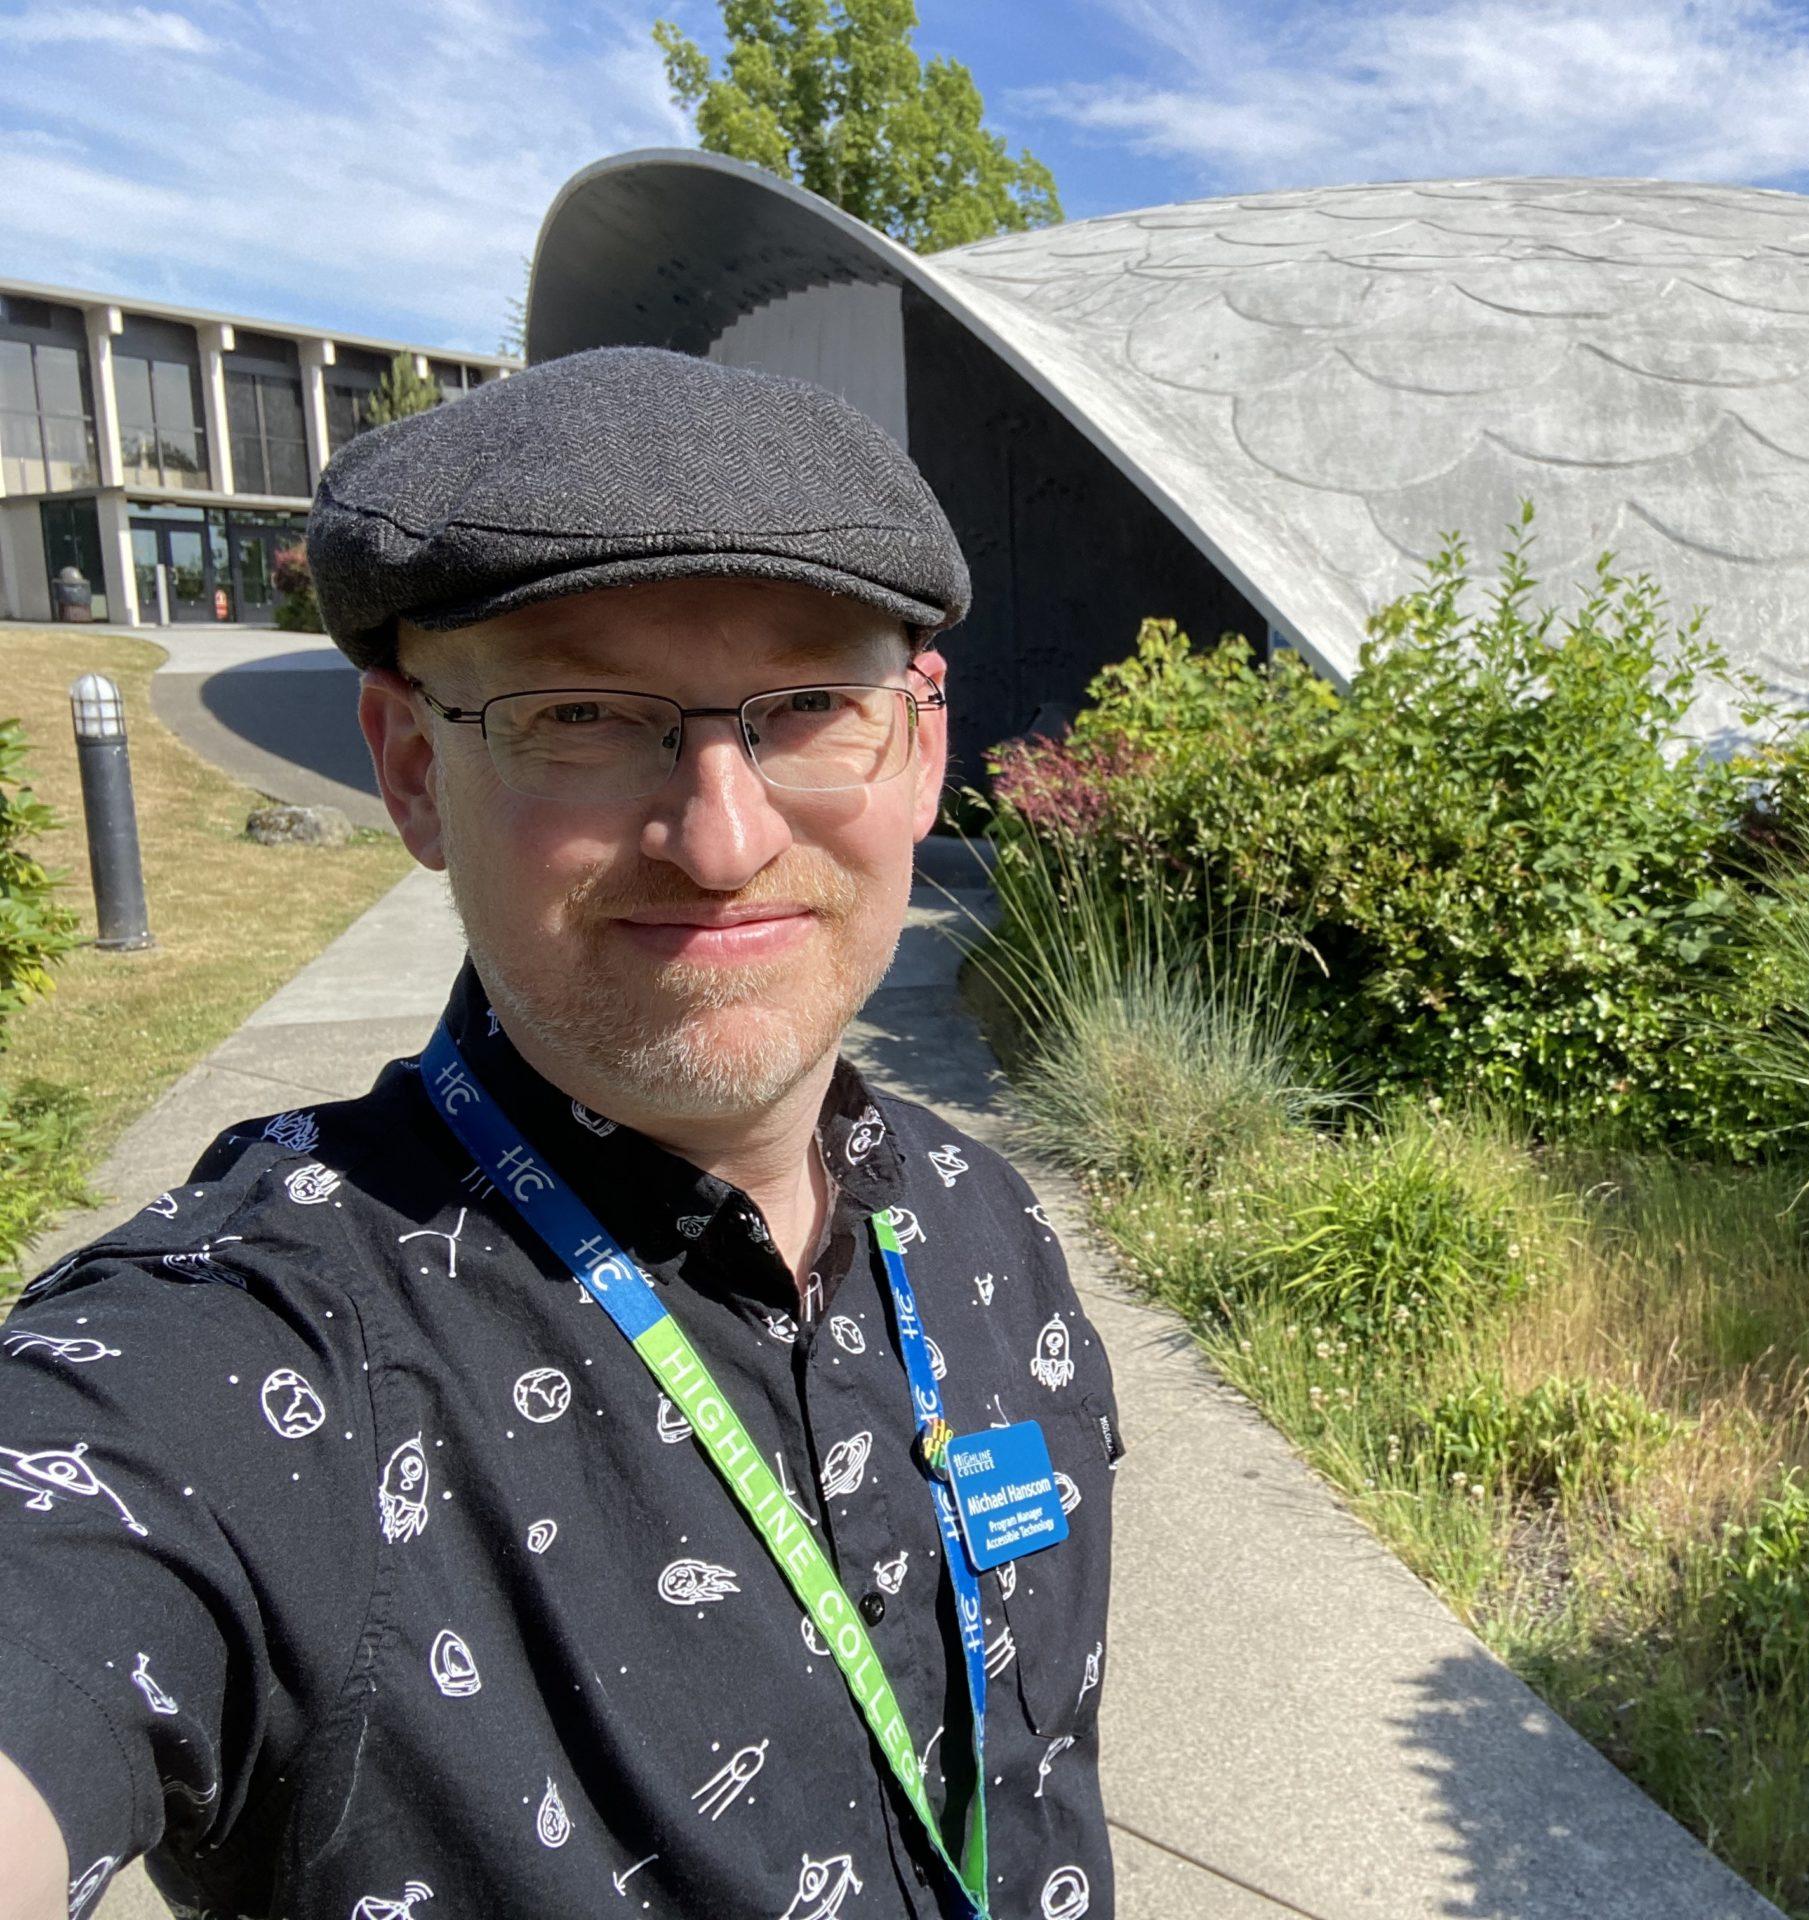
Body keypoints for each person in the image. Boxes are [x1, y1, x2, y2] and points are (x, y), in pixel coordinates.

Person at [0, 346, 1121, 1920]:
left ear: (921, 750)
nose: (723, 838)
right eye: (582, 712)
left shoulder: (993, 1235)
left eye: (810, 705)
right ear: (412, 772)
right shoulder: (266, 1362)